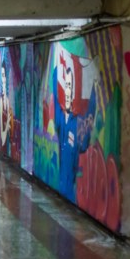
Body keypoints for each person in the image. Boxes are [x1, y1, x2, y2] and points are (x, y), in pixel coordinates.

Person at [51, 55, 96, 202]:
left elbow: (83, 144)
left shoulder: (76, 122)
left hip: (71, 190)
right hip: (62, 185)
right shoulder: (60, 118)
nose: (67, 92)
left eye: (70, 87)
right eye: (65, 87)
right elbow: (55, 90)